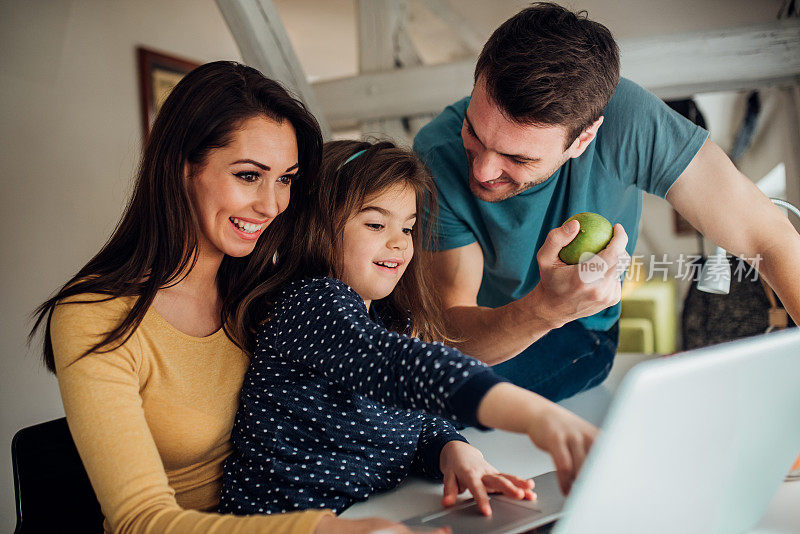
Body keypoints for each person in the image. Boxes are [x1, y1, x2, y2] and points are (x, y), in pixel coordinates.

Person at [30, 61, 442, 534]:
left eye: (286, 179)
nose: (272, 204)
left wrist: (446, 448)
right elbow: (139, 520)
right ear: (184, 167)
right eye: (249, 175)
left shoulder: (270, 292)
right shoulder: (95, 314)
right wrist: (323, 530)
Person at [413, 2, 800, 401]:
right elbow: (451, 330)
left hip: (582, 332)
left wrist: (553, 311)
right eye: (474, 132)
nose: (482, 170)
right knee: (408, 378)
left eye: (518, 158)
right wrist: (540, 308)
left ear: (583, 139)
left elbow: (768, 237)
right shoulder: (435, 152)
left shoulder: (629, 121)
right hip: (490, 324)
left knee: (428, 399)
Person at [219, 140, 598, 519]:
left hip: (372, 513)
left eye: (408, 227)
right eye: (376, 224)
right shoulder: (312, 303)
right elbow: (397, 367)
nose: (400, 242)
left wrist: (452, 450)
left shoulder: (388, 317)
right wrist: (535, 416)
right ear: (317, 227)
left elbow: (411, 422)